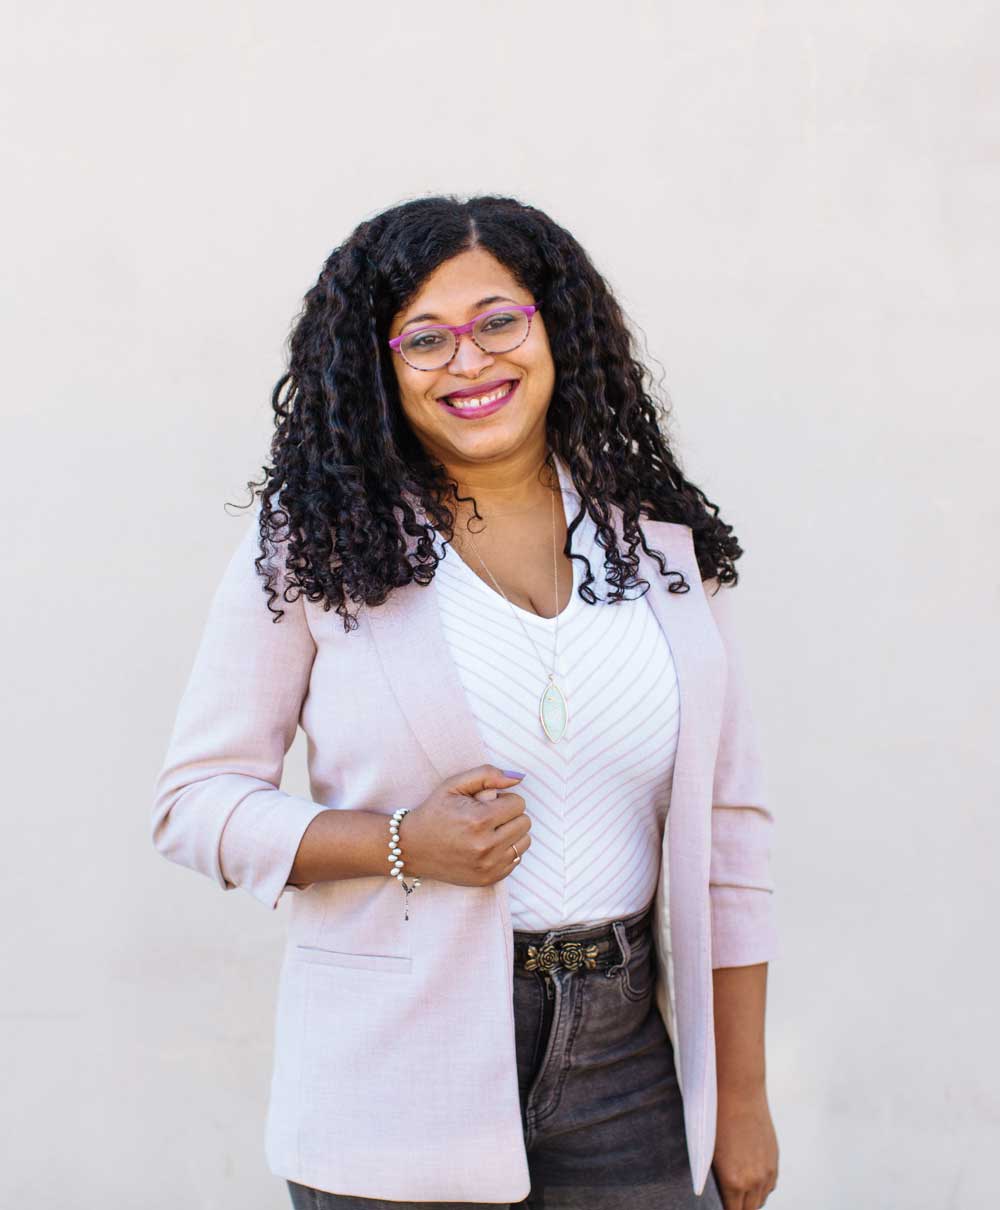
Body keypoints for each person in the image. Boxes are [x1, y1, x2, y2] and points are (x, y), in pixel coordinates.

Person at [151, 194, 779, 1209]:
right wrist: (399, 842)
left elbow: (731, 835)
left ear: (553, 329)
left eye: (497, 322)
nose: (469, 361)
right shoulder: (314, 546)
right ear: (381, 366)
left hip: (629, 1067)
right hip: (396, 1068)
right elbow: (194, 802)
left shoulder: (658, 543)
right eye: (425, 338)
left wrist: (742, 1096)